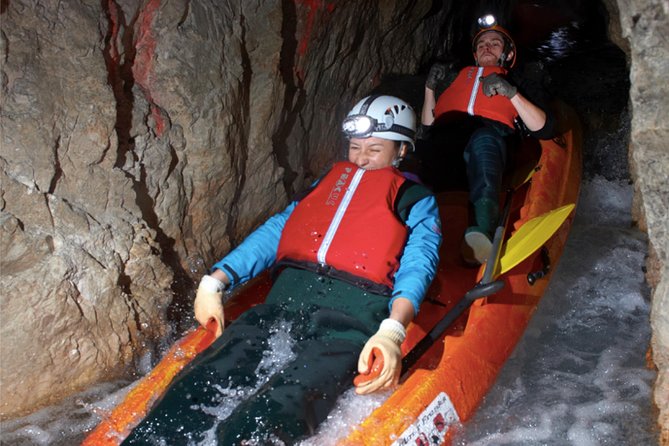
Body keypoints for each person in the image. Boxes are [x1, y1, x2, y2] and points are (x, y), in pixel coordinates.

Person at [123, 95, 442, 445]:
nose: (361, 158)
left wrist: (394, 330)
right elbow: (277, 231)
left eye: (374, 149)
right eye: (355, 147)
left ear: (401, 151)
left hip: (348, 324)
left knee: (280, 405)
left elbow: (418, 264)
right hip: (279, 306)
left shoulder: (415, 200)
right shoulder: (327, 183)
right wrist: (216, 281)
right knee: (205, 379)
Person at [419, 14, 555, 265]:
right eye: (481, 45)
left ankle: (482, 231)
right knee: (419, 153)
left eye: (494, 43)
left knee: (483, 140)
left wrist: (511, 93)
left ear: (508, 54)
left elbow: (545, 129)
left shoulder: (519, 81)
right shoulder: (455, 78)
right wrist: (429, 88)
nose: (486, 47)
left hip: (492, 149)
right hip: (448, 150)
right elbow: (428, 128)